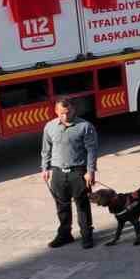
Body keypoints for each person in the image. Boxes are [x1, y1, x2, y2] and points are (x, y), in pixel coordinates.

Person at [40, 99, 98, 249]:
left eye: (69, 112)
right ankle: (65, 234)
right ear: (56, 112)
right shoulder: (50, 127)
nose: (66, 116)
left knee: (82, 204)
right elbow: (46, 150)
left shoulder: (85, 127)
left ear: (73, 110)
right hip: (58, 172)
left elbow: (92, 150)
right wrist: (45, 168)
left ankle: (86, 235)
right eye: (62, 113)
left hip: (78, 172)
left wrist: (90, 171)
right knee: (62, 205)